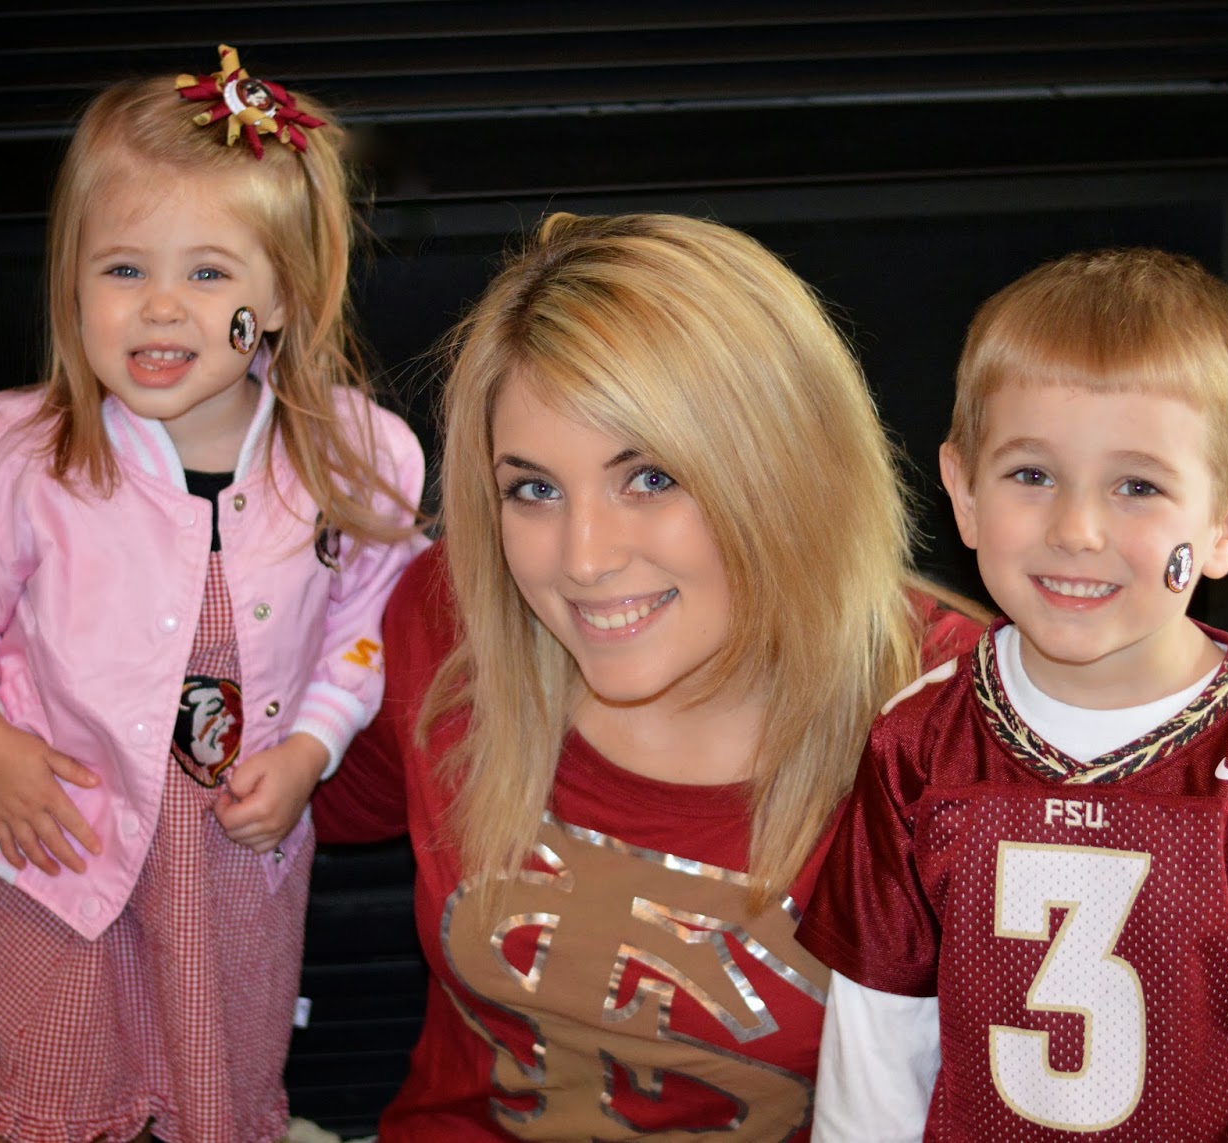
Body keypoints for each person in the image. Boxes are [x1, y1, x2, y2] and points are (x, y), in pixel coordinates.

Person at [312, 211, 983, 1141]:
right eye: (534, 489)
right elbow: (261, 812)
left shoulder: (962, 725)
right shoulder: (451, 619)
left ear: (787, 467)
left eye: (652, 477)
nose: (583, 558)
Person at [0, 45, 424, 1143]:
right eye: (123, 269)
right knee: (51, 1090)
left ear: (283, 295)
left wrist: (311, 749)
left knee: (210, 1090)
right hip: (59, 855)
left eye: (209, 275)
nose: (162, 309)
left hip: (229, 870)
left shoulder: (350, 462)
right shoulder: (13, 461)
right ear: (72, 279)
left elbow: (369, 625)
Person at [796, 248, 1228, 1141]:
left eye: (1138, 486)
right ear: (963, 492)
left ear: (1227, 527)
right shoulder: (916, 746)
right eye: (1032, 475)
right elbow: (875, 1066)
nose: (1077, 529)